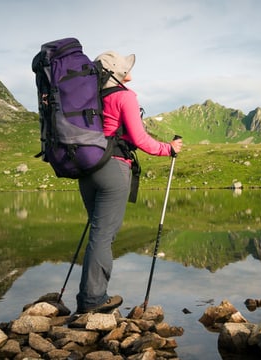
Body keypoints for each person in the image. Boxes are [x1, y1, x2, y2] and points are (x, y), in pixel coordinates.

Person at [75, 50, 183, 314]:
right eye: (124, 69)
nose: (129, 73)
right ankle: (92, 300)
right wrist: (168, 149)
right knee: (103, 236)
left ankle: (88, 296)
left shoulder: (88, 99)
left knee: (98, 234)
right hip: (113, 169)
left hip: (87, 171)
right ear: (116, 73)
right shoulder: (125, 97)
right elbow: (139, 139)